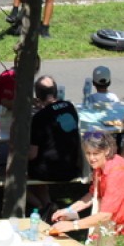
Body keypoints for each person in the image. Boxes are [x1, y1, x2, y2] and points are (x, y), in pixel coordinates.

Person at [26, 75, 82, 213]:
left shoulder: (39, 118)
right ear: (56, 91)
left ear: (37, 96)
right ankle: (49, 205)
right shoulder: (70, 107)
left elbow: (32, 155)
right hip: (71, 167)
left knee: (16, 172)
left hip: (49, 171)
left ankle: (40, 206)